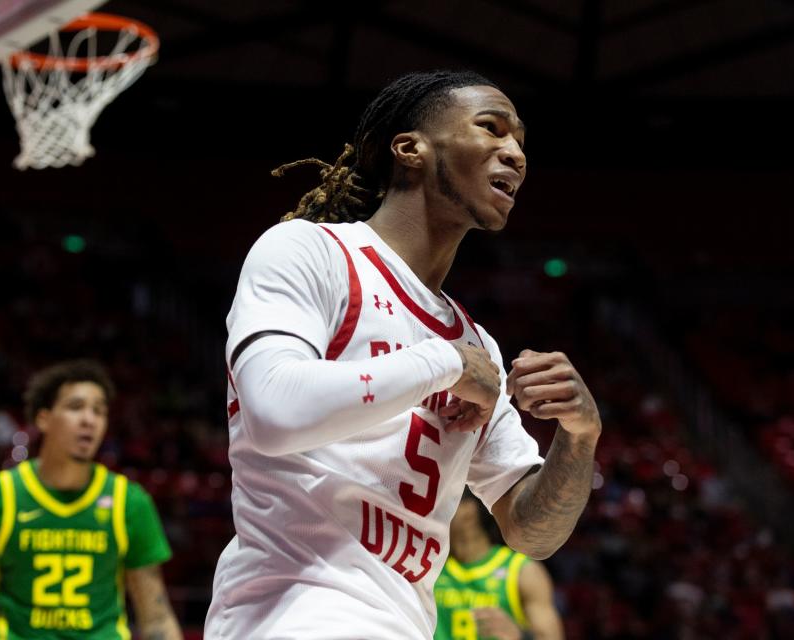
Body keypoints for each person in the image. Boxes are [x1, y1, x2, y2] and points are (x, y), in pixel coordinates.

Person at [204, 70, 602, 640]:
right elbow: (272, 413)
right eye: (491, 128)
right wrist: (443, 364)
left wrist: (580, 436)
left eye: (520, 142)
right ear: (409, 148)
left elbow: (532, 532)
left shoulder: (476, 344)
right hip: (294, 616)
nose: (514, 153)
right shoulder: (310, 250)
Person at [0, 359, 182, 640]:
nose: (89, 420)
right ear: (43, 418)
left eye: (99, 411)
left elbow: (156, 617)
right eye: (75, 407)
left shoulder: (129, 502)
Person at [434, 493, 563, 640]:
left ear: (468, 511)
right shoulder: (430, 566)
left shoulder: (521, 570)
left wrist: (521, 636)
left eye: (442, 506)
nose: (434, 514)